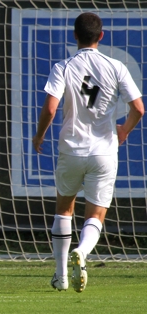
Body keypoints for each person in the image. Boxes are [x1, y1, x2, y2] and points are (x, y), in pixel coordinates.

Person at [33, 12, 144, 293]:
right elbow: (139, 109)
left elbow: (49, 108)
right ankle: (82, 252)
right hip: (104, 152)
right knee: (95, 214)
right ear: (101, 36)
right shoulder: (116, 66)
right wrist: (124, 131)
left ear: (75, 35)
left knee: (64, 209)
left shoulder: (63, 66)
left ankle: (61, 276)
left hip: (71, 149)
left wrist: (39, 135)